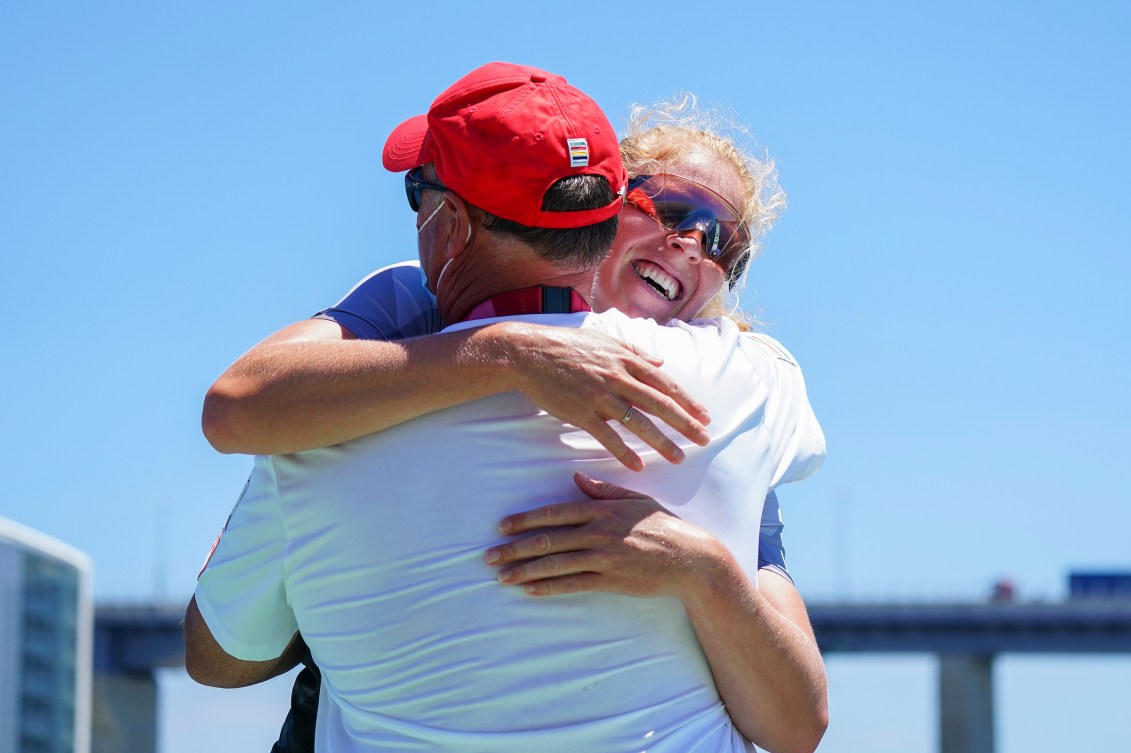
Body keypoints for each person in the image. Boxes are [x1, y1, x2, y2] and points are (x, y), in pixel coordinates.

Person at [185, 62, 826, 753]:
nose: (691, 245)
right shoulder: (406, 313)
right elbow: (239, 403)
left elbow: (796, 726)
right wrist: (506, 351)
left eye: (723, 244)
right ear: (598, 207)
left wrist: (703, 570)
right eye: (671, 212)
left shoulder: (727, 409)